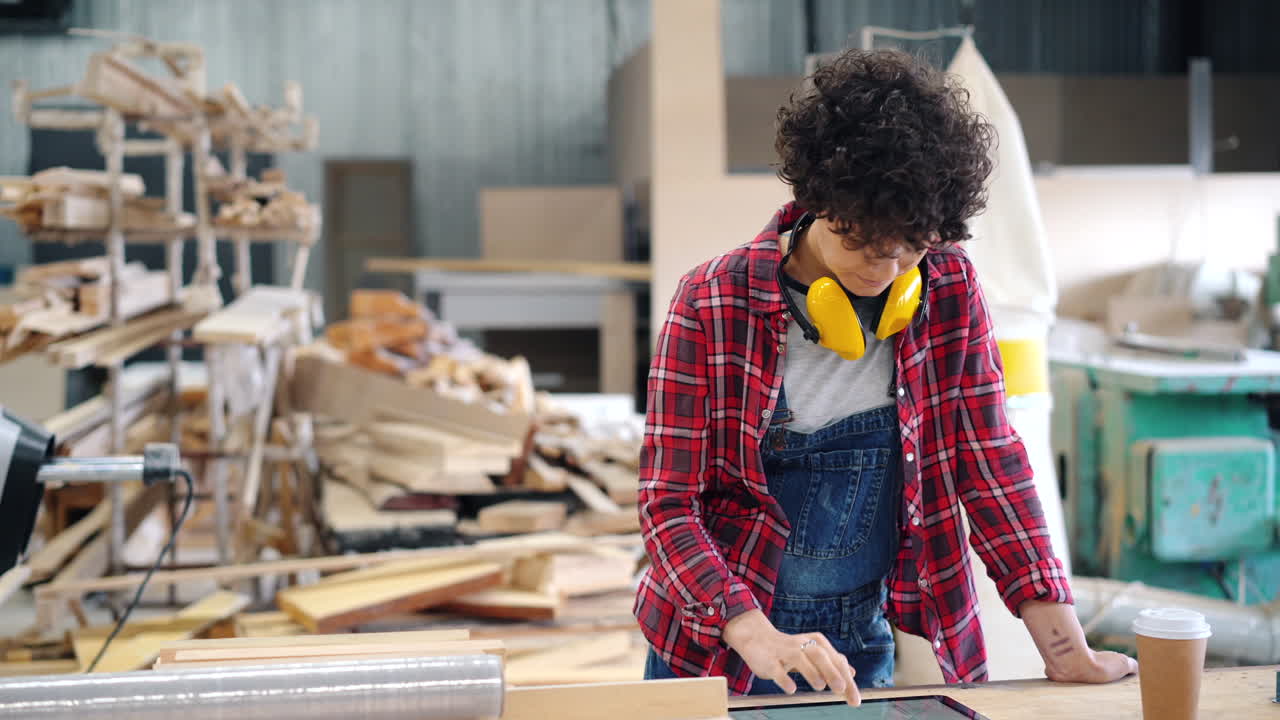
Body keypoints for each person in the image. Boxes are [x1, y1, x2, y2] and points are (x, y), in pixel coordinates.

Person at [634, 48, 1137, 705]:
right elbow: (667, 503)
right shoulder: (712, 300)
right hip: (713, 646)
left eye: (913, 247)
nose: (889, 270)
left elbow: (989, 465)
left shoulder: (947, 287)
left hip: (854, 646)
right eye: (864, 245)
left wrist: (1067, 650)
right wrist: (747, 626)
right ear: (818, 200)